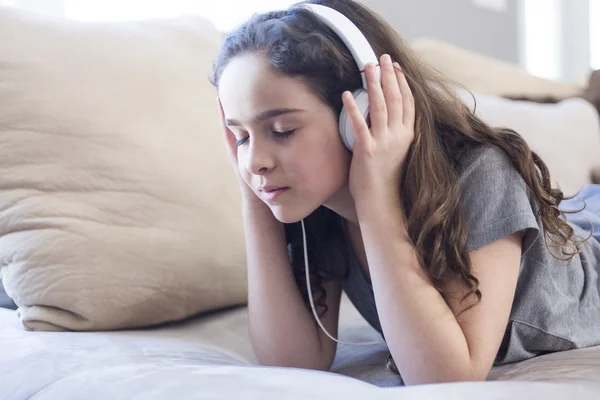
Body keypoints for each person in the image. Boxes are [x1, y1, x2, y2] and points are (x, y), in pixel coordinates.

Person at [209, 0, 600, 386]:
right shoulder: (315, 203)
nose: (256, 160)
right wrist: (254, 201)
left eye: (282, 131)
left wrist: (377, 196)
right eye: (241, 137)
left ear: (363, 112)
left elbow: (449, 376)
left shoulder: (481, 173)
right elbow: (294, 360)